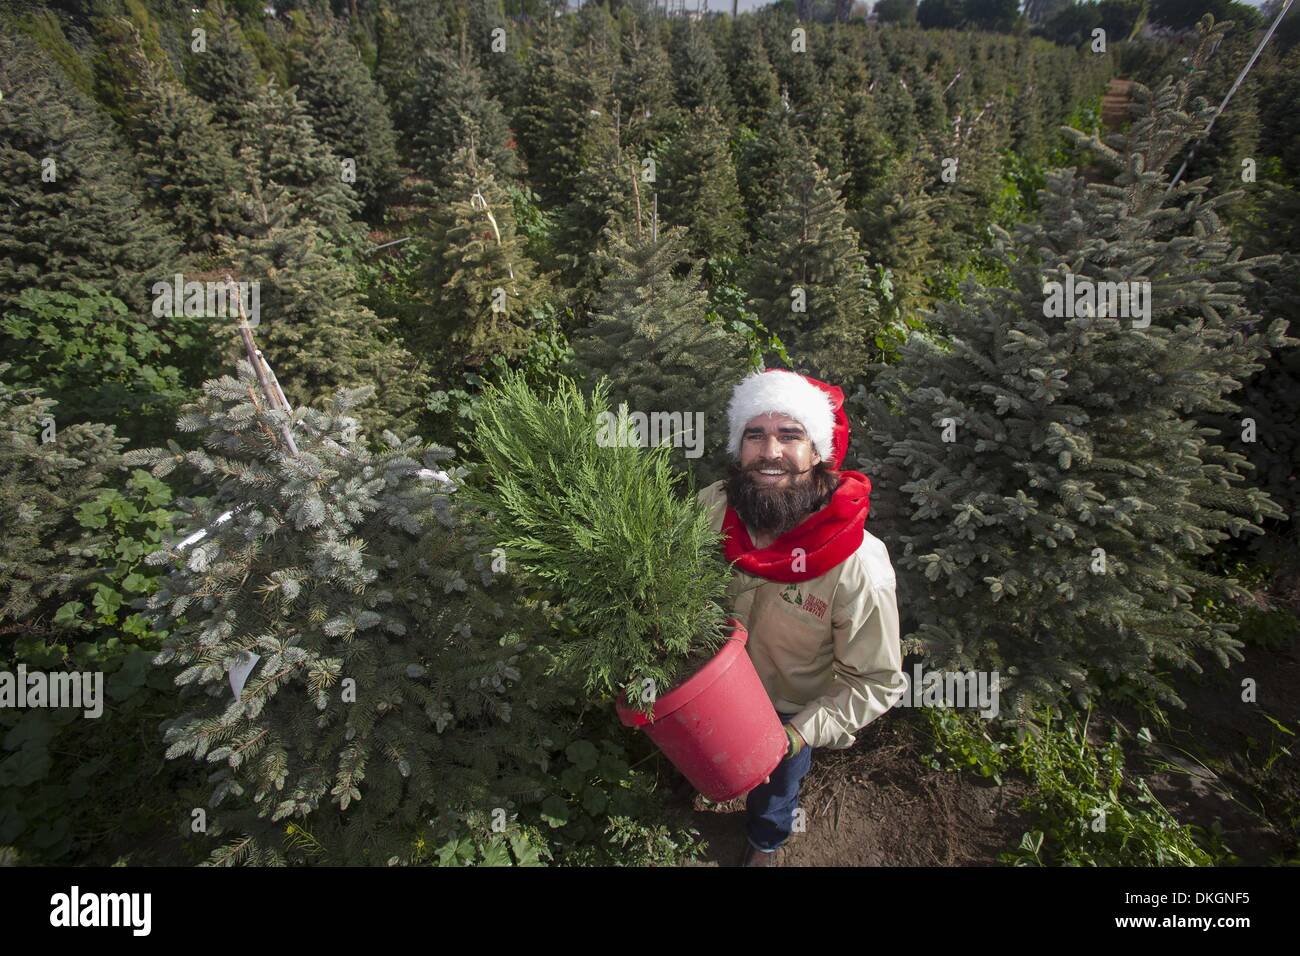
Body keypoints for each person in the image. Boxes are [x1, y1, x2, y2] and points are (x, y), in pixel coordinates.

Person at [695, 368, 908, 867]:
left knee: (775, 790)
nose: (770, 452)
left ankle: (765, 842)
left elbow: (876, 681)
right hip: (709, 685)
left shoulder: (856, 565)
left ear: (818, 453)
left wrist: (799, 733)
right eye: (755, 435)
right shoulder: (712, 508)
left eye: (790, 435)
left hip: (787, 712)